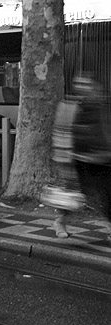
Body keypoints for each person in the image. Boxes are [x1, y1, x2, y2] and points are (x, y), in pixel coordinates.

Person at [49, 73, 111, 238]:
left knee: (106, 194)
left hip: (101, 159)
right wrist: (63, 160)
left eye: (87, 84)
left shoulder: (100, 105)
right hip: (77, 159)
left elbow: (105, 131)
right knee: (72, 195)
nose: (84, 88)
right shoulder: (68, 106)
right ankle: (60, 221)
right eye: (80, 85)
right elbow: (61, 132)